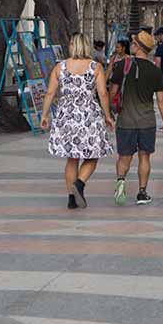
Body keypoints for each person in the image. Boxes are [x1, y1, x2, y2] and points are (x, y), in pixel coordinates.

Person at [39, 33, 115, 209]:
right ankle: (80, 183)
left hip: (67, 116)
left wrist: (44, 115)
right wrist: (108, 116)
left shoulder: (60, 67)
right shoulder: (95, 67)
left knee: (72, 159)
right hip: (89, 116)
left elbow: (50, 93)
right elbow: (102, 93)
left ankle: (72, 199)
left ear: (74, 45)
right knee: (93, 154)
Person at [108, 31, 163, 206]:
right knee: (144, 157)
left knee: (124, 156)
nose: (131, 45)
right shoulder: (154, 71)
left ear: (138, 46)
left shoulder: (122, 66)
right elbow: (161, 99)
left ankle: (120, 182)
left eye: (133, 42)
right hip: (147, 121)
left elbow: (112, 92)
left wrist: (108, 112)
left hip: (126, 120)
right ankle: (142, 193)